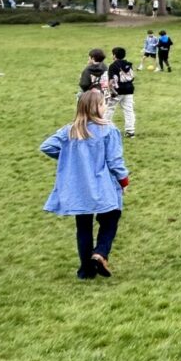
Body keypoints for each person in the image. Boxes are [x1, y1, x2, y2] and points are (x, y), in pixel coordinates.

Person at [39, 89, 130, 279]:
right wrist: (124, 180)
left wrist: (69, 158)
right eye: (103, 103)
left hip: (78, 186)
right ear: (96, 107)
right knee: (111, 217)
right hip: (102, 184)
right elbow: (115, 160)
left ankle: (86, 270)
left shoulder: (70, 130)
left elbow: (47, 146)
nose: (105, 106)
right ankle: (100, 253)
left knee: (83, 226)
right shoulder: (108, 130)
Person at [105, 46, 136, 138]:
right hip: (129, 89)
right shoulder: (128, 64)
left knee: (109, 108)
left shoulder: (113, 65)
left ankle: (104, 129)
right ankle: (130, 131)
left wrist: (111, 91)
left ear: (114, 55)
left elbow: (110, 81)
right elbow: (132, 77)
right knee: (129, 110)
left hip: (117, 90)